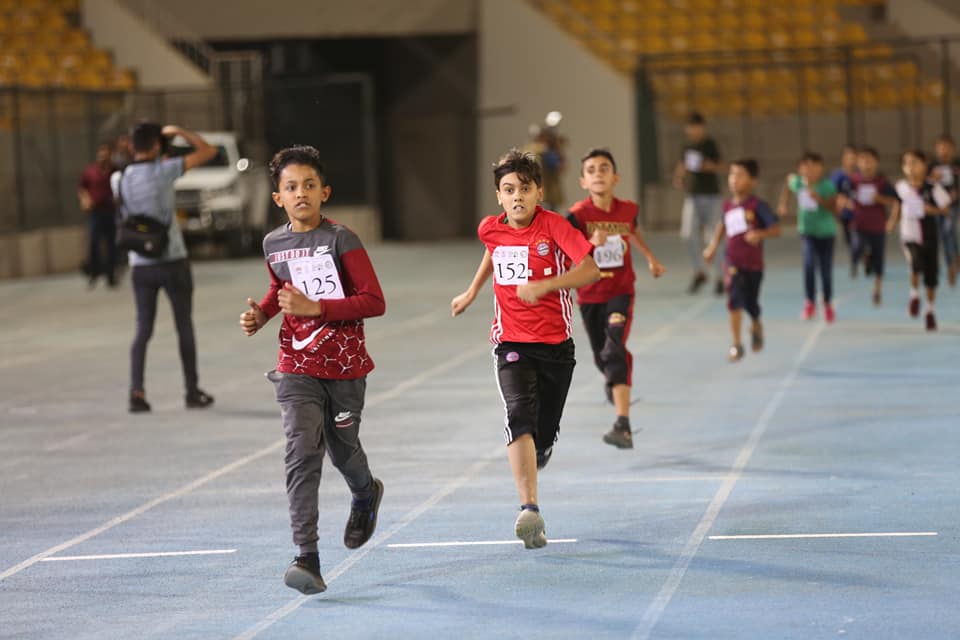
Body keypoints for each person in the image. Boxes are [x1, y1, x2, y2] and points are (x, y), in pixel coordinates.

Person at [239, 145, 386, 595]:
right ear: (277, 197)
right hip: (296, 364)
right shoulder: (273, 244)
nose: (300, 193)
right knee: (302, 452)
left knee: (343, 452)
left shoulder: (342, 240)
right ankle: (307, 556)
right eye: (290, 187)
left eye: (308, 185)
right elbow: (278, 288)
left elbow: (374, 301)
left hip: (344, 366)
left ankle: (365, 493)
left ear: (324, 191)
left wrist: (316, 307)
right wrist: (263, 315)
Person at [450, 149, 599, 549]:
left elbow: (591, 270)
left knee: (544, 431)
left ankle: (543, 447)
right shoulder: (490, 228)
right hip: (511, 343)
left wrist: (547, 286)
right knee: (519, 417)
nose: (517, 197)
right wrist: (472, 291)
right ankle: (529, 509)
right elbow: (493, 251)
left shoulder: (555, 228)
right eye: (508, 189)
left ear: (539, 192)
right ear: (498, 196)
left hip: (556, 347)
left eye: (525, 189)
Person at [112, 122, 216, 413]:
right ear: (157, 145)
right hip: (172, 259)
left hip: (140, 264)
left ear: (132, 146)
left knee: (142, 328)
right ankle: (192, 391)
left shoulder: (118, 178)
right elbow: (207, 151)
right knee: (184, 325)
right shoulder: (166, 169)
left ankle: (137, 392)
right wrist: (181, 132)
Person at [566, 148, 665, 450]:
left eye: (604, 168)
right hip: (590, 296)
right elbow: (567, 252)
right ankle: (615, 383)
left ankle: (623, 424)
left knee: (614, 347)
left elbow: (632, 233)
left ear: (615, 177)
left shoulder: (628, 210)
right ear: (583, 180)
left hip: (620, 292)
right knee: (603, 356)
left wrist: (650, 258)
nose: (598, 173)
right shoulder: (578, 215)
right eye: (592, 170)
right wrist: (587, 244)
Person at [704, 159, 781, 362]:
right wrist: (712, 246)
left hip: (754, 265)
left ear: (753, 181)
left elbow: (776, 229)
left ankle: (756, 324)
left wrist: (760, 234)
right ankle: (736, 343)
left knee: (751, 304)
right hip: (732, 262)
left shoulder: (758, 206)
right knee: (734, 300)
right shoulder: (727, 205)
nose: (734, 179)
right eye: (732, 174)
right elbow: (722, 225)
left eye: (740, 175)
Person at [889, 149, 950, 331]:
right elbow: (896, 204)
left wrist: (934, 211)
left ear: (925, 166)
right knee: (915, 263)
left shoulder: (932, 188)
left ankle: (930, 311)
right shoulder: (901, 187)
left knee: (931, 278)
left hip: (930, 236)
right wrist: (892, 221)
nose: (911, 167)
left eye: (915, 163)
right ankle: (914, 294)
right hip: (909, 235)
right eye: (907, 163)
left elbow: (946, 209)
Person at [778, 151, 839, 322]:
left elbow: (835, 209)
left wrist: (819, 199)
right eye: (806, 167)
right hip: (807, 232)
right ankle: (810, 302)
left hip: (826, 233)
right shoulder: (797, 183)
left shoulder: (827, 186)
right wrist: (783, 204)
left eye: (814, 167)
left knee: (825, 271)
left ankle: (827, 303)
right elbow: (788, 182)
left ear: (821, 168)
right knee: (809, 265)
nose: (810, 171)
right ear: (800, 169)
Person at [836, 146, 897, 305]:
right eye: (863, 160)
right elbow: (841, 197)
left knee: (879, 260)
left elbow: (894, 201)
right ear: (858, 163)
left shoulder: (882, 181)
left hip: (877, 225)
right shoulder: (852, 181)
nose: (866, 164)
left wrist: (880, 200)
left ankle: (877, 290)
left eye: (870, 160)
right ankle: (857, 260)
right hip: (858, 223)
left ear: (876, 162)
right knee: (856, 245)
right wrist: (844, 203)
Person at [673, 111, 724, 295]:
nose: (693, 130)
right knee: (687, 234)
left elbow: (719, 165)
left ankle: (721, 277)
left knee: (713, 237)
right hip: (692, 195)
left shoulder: (709, 144)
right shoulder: (686, 146)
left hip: (711, 195)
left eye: (696, 126)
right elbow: (682, 164)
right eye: (690, 127)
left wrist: (703, 165)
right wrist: (679, 176)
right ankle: (700, 271)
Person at [78, 142, 117, 288]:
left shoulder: (114, 170)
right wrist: (85, 200)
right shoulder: (90, 171)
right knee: (94, 242)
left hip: (111, 211)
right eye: (101, 153)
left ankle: (111, 275)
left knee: (111, 244)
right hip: (96, 212)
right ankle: (93, 273)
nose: (103, 156)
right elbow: (82, 188)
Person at [929, 134, 960, 286]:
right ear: (936, 150)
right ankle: (955, 258)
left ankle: (951, 266)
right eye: (940, 147)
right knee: (945, 235)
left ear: (953, 150)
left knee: (948, 231)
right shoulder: (931, 166)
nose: (944, 151)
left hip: (953, 206)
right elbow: (924, 186)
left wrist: (956, 194)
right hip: (937, 208)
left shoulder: (957, 165)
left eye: (947, 147)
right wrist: (932, 179)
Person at [831, 144, 858, 274]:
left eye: (854, 157)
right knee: (850, 240)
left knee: (861, 238)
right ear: (843, 159)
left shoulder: (860, 174)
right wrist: (841, 202)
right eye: (849, 158)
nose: (852, 160)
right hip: (846, 214)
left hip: (861, 214)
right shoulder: (837, 176)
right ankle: (855, 260)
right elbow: (832, 193)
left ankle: (862, 256)